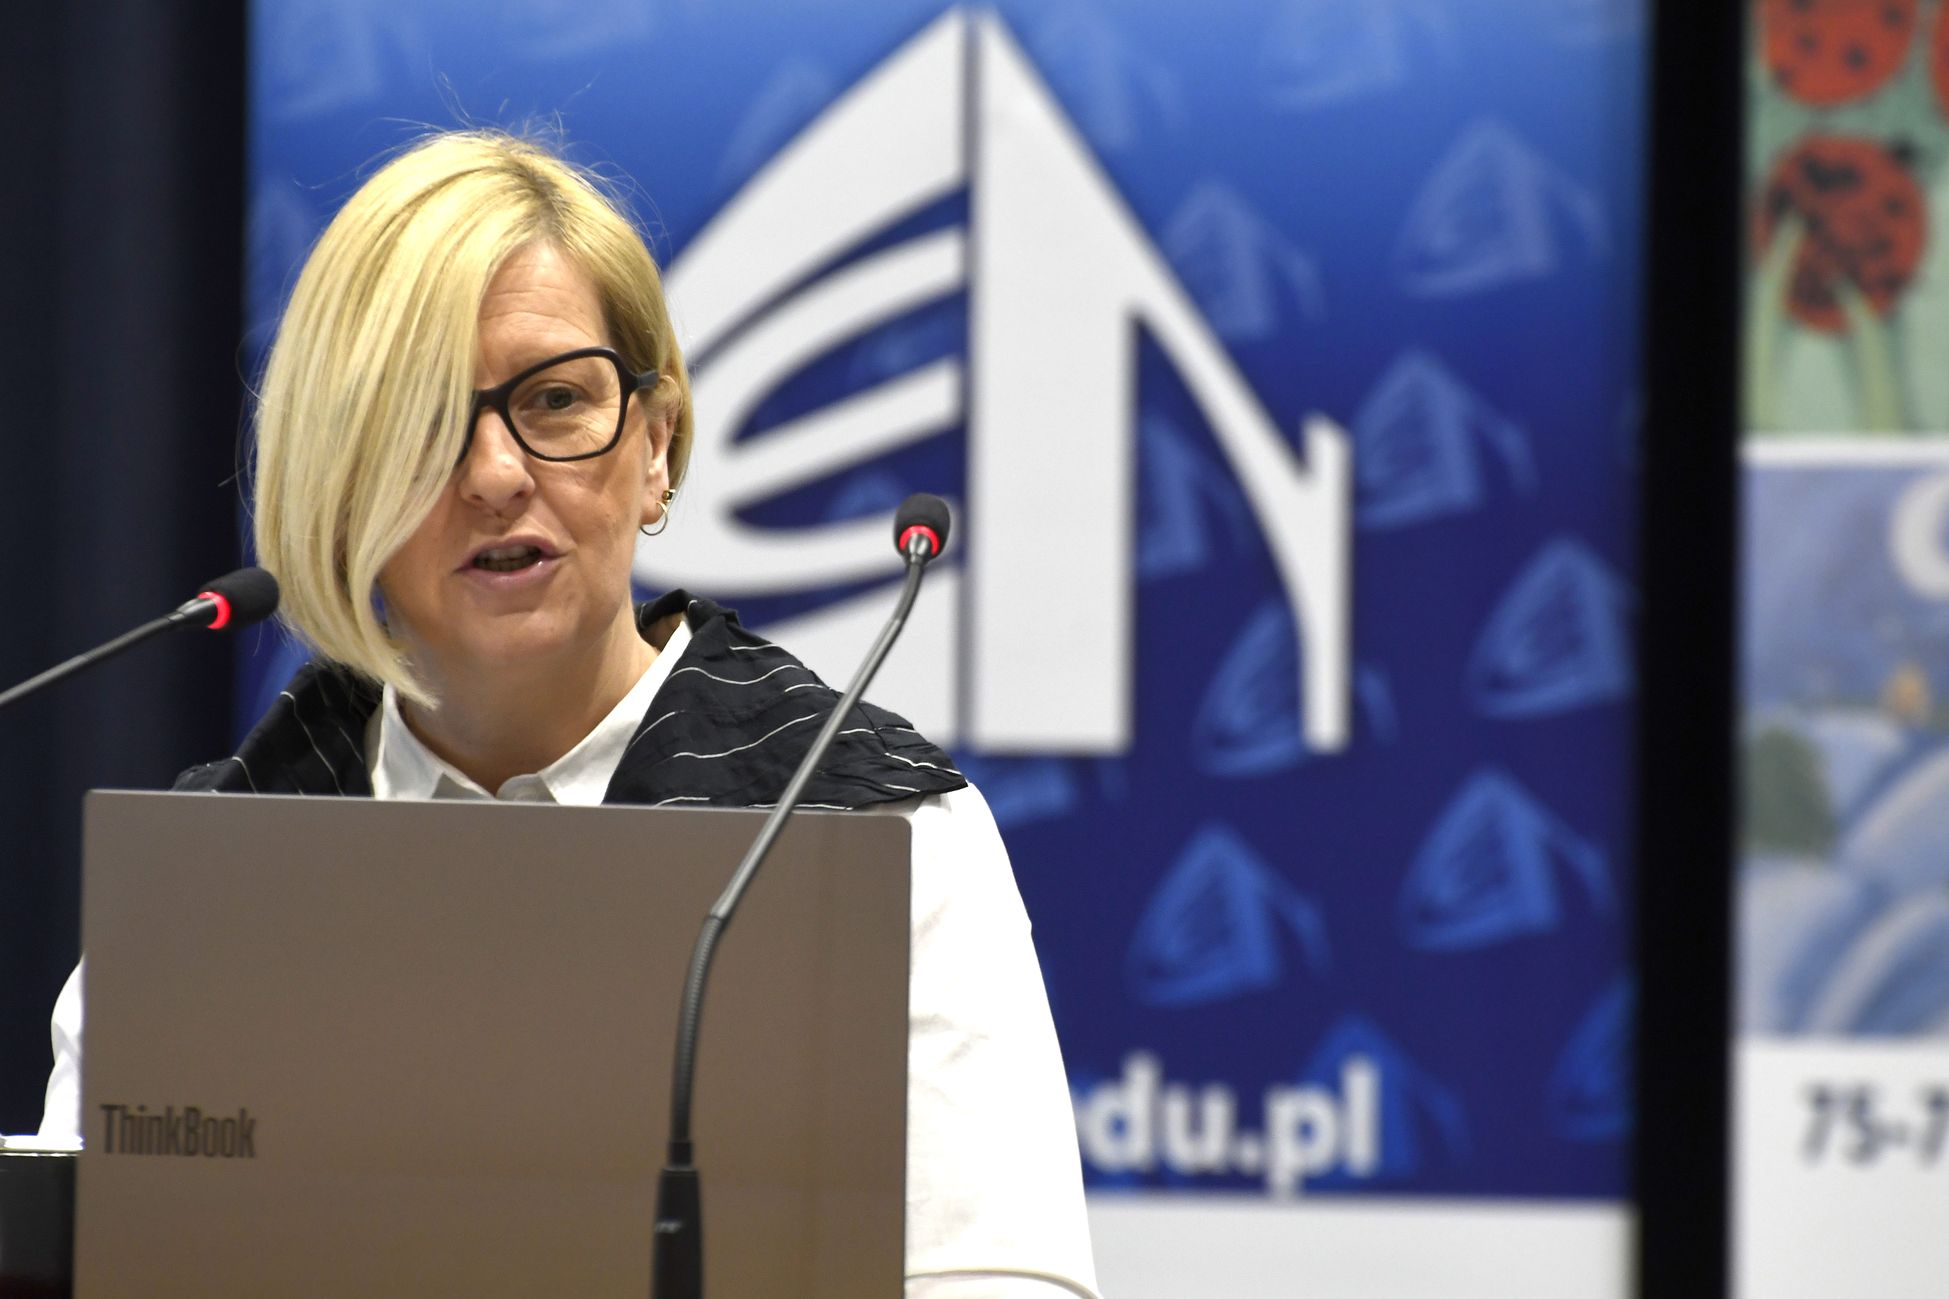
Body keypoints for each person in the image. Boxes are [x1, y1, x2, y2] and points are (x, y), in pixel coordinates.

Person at [40, 130, 1099, 1299]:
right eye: (423, 415)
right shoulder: (206, 872)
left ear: (655, 447)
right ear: (338, 481)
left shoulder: (873, 828)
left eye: (555, 400)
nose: (496, 473)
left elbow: (1001, 1279)